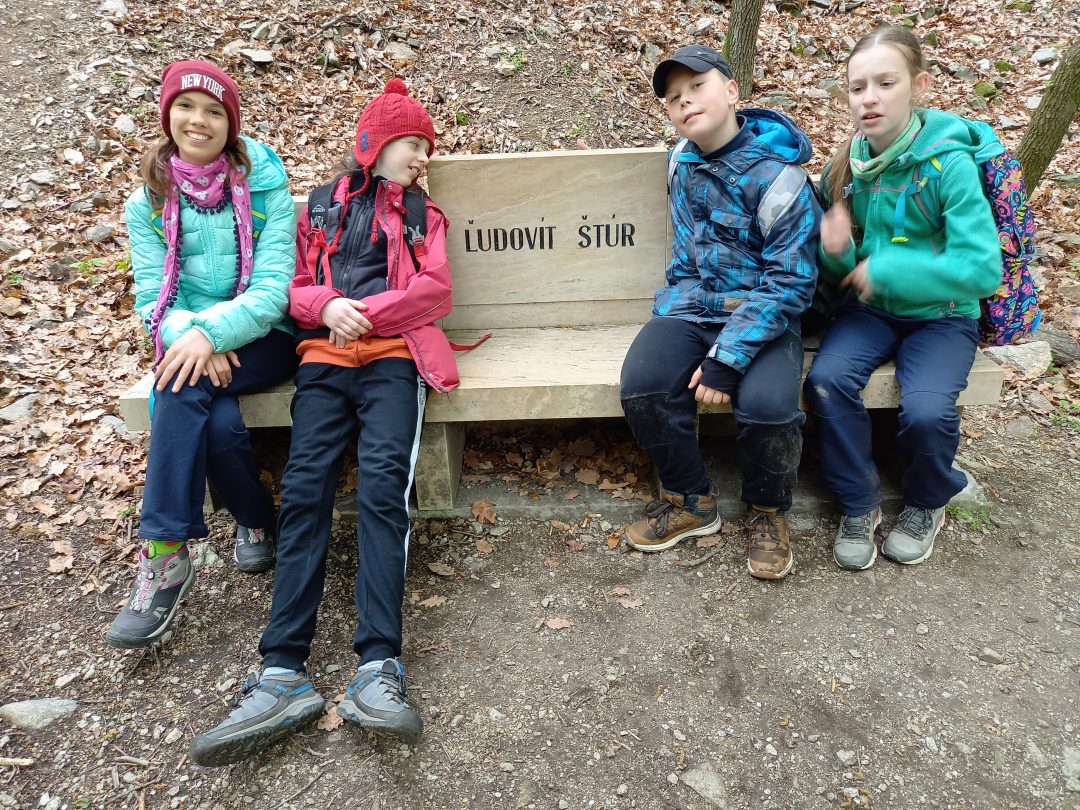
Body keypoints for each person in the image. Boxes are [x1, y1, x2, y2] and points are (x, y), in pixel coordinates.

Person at [189, 79, 458, 766]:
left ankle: (378, 666)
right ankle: (281, 671)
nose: (422, 156)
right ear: (374, 143)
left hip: (395, 359)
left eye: (427, 146)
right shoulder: (320, 208)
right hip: (324, 360)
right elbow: (292, 286)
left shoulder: (425, 213)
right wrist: (328, 307)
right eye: (411, 143)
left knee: (383, 487)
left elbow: (434, 290)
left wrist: (367, 314)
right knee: (305, 487)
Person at [107, 60, 297, 649]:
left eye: (215, 111)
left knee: (177, 383)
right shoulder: (146, 203)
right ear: (168, 115)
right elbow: (153, 300)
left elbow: (274, 289)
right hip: (189, 341)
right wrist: (194, 336)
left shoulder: (265, 187)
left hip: (266, 336)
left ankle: (165, 553)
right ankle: (254, 519)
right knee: (211, 416)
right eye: (186, 106)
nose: (199, 120)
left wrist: (212, 335)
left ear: (230, 124)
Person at [804, 25, 1003, 571]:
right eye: (857, 87)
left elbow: (982, 270)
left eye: (885, 83)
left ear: (918, 85)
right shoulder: (847, 165)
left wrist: (889, 269)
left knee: (926, 410)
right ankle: (858, 500)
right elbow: (849, 274)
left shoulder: (949, 164)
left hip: (943, 316)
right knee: (825, 382)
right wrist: (837, 252)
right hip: (872, 312)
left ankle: (927, 500)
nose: (868, 99)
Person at [620, 45, 821, 580]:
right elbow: (687, 252)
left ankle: (767, 510)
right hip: (693, 306)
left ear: (732, 91)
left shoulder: (780, 180)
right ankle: (690, 499)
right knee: (643, 384)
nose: (685, 102)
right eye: (673, 98)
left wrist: (726, 357)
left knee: (769, 409)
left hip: (765, 314)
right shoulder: (680, 162)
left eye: (697, 87)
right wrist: (677, 308)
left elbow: (791, 280)